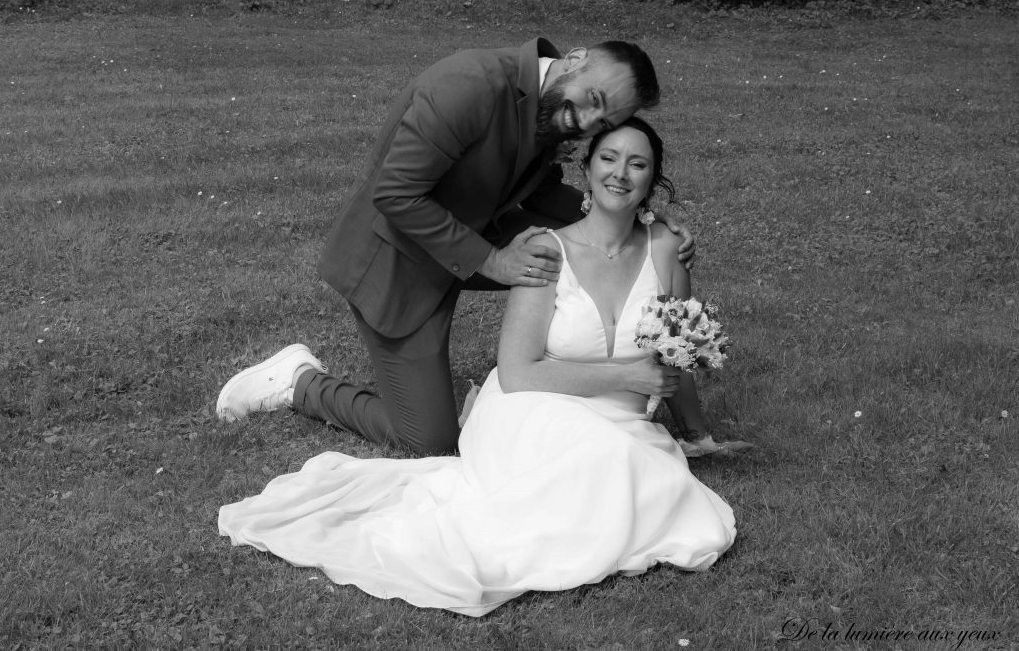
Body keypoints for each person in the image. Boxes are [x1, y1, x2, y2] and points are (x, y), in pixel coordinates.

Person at [218, 117, 737, 616]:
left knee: (636, 469)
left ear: (653, 179)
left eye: (637, 164)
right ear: (588, 167)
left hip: (621, 422)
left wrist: (696, 432)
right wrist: (627, 377)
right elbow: (519, 373)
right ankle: (300, 383)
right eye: (608, 158)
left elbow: (677, 354)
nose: (620, 173)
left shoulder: (667, 250)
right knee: (609, 465)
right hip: (530, 407)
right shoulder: (546, 250)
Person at [215, 38, 697, 455]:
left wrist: (642, 219)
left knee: (567, 252)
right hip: (396, 259)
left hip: (465, 234)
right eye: (592, 99)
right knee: (427, 439)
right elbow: (395, 193)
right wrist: (493, 260)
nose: (586, 121)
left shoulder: (553, 106)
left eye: (603, 120)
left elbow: (545, 190)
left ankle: (535, 383)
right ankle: (299, 382)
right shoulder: (469, 84)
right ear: (574, 59)